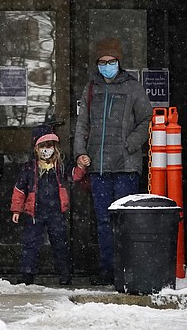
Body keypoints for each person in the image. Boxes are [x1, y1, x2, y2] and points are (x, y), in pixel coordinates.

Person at [73, 37, 153, 285]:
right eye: (102, 62)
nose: (106, 65)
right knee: (104, 221)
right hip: (98, 167)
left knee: (125, 221)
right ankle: (107, 270)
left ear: (119, 62)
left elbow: (146, 119)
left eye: (111, 61)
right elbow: (82, 124)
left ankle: (126, 271)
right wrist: (79, 153)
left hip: (126, 167)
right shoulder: (91, 88)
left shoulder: (132, 87)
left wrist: (129, 145)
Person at [10, 128, 87, 286]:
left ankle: (65, 274)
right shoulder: (29, 168)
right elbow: (19, 190)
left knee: (60, 244)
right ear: (36, 148)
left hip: (56, 212)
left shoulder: (61, 166)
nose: (46, 150)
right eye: (43, 146)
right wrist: (16, 210)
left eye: (50, 146)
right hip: (34, 213)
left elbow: (74, 176)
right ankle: (27, 273)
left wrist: (81, 167)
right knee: (31, 244)